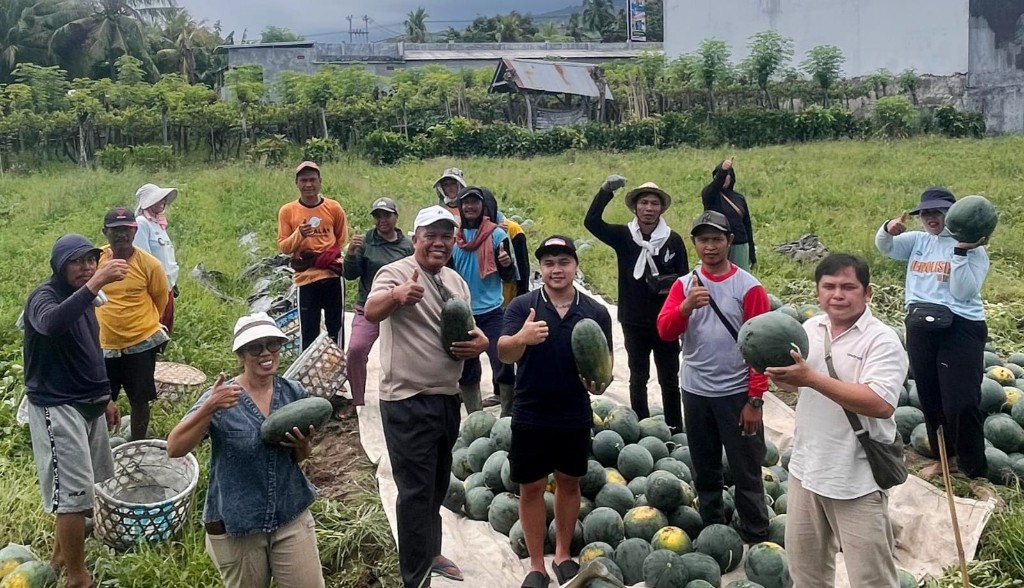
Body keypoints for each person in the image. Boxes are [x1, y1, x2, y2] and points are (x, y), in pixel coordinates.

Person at [365, 205, 489, 588]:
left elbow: (468, 330)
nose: (438, 242)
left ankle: (431, 552)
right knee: (415, 491)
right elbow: (371, 311)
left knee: (436, 485)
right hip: (407, 400)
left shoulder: (456, 281)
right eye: (430, 235)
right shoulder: (395, 272)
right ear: (415, 238)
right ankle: (415, 577)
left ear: (454, 241)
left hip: (446, 398)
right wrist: (398, 296)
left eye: (446, 236)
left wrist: (481, 342)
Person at [766, 254, 908, 588]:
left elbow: (880, 403)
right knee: (807, 573)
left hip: (856, 478)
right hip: (805, 470)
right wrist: (773, 371)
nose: (837, 295)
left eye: (848, 287)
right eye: (828, 287)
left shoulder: (881, 340)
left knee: (871, 579)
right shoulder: (809, 329)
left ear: (867, 292)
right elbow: (791, 384)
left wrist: (811, 378)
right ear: (817, 293)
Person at [167, 313, 325, 588]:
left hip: (289, 513)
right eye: (255, 347)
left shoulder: (293, 393)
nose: (266, 353)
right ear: (241, 355)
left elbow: (300, 458)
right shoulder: (221, 397)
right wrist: (209, 408)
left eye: (272, 345)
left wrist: (302, 444)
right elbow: (174, 447)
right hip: (238, 524)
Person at [498, 236, 613, 588]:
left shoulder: (596, 312)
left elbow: (605, 371)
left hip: (574, 413)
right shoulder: (522, 307)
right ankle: (536, 565)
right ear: (541, 269)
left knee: (568, 483)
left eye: (563, 261)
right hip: (531, 412)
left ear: (576, 266)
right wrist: (522, 338)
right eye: (549, 263)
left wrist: (600, 385)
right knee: (530, 487)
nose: (556, 269)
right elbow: (503, 352)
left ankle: (563, 554)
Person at [656, 210, 770, 543]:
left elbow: (761, 351)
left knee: (746, 467)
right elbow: (664, 331)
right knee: (705, 468)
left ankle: (756, 532)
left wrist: (755, 399)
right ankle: (713, 529)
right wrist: (685, 307)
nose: (710, 246)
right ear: (694, 243)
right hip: (695, 391)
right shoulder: (683, 286)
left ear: (729, 242)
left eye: (717, 239)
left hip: (736, 394)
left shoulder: (749, 288)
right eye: (703, 239)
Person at [23, 234, 127, 588]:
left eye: (90, 260)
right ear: (59, 265)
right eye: (76, 261)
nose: (86, 268)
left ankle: (58, 558)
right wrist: (95, 282)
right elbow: (52, 324)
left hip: (88, 404)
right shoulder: (44, 297)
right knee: (71, 495)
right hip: (58, 404)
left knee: (85, 489)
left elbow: (89, 349)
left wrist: (105, 397)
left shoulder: (88, 298)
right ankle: (77, 577)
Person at [875, 187, 989, 480]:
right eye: (925, 212)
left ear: (952, 215)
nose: (930, 217)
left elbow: (962, 292)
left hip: (961, 327)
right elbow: (885, 246)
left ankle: (975, 472)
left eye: (937, 211)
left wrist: (961, 251)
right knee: (930, 399)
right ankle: (945, 460)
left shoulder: (975, 249)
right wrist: (888, 228)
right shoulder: (917, 242)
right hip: (920, 326)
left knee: (961, 403)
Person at [585, 174, 688, 433]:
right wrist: (605, 191)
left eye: (654, 203)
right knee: (638, 376)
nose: (649, 208)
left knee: (669, 378)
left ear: (661, 209)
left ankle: (675, 426)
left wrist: (683, 318)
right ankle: (641, 426)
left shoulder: (673, 240)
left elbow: (684, 282)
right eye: (644, 203)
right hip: (634, 320)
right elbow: (592, 222)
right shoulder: (624, 236)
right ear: (635, 207)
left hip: (665, 321)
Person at [96, 207, 170, 441]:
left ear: (135, 230)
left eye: (127, 230)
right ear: (105, 232)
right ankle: (98, 445)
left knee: (139, 399)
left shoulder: (150, 265)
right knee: (98, 399)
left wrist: (140, 325)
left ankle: (137, 442)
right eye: (115, 230)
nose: (122, 235)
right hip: (103, 344)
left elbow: (161, 299)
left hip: (139, 343)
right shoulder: (94, 259)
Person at [341, 197, 413, 419]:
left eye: (387, 215)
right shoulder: (365, 241)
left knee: (408, 352)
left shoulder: (406, 246)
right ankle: (356, 400)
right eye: (378, 216)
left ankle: (409, 396)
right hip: (369, 306)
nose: (382, 220)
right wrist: (351, 254)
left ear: (396, 217)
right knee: (356, 350)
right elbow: (350, 274)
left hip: (398, 308)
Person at [451, 186, 517, 415]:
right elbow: (447, 276)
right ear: (460, 207)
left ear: (483, 206)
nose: (470, 207)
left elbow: (509, 276)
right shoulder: (454, 239)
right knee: (467, 367)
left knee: (504, 361)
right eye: (465, 202)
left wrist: (506, 264)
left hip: (492, 311)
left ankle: (508, 414)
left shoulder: (498, 235)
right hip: (464, 314)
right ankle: (475, 416)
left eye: (475, 202)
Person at [277, 161, 349, 350]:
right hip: (306, 278)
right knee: (308, 332)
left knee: (336, 329)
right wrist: (300, 234)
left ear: (320, 182)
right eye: (303, 180)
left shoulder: (333, 208)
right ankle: (307, 375)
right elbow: (284, 247)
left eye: (312, 180)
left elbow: (341, 239)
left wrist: (327, 257)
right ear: (296, 183)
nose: (308, 184)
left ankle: (338, 370)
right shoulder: (288, 211)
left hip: (332, 276)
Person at [133, 183, 179, 334]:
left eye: (163, 199)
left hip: (168, 285)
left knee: (165, 327)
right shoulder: (142, 223)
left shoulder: (158, 223)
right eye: (158, 199)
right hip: (155, 286)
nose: (163, 202)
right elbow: (142, 257)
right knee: (154, 329)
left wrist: (173, 282)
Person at [701, 157, 756, 271]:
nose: (723, 179)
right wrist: (723, 170)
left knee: (740, 278)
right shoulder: (710, 195)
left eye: (727, 176)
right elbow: (715, 185)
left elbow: (747, 225)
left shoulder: (739, 198)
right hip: (718, 242)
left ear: (731, 178)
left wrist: (751, 253)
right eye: (719, 176)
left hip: (739, 243)